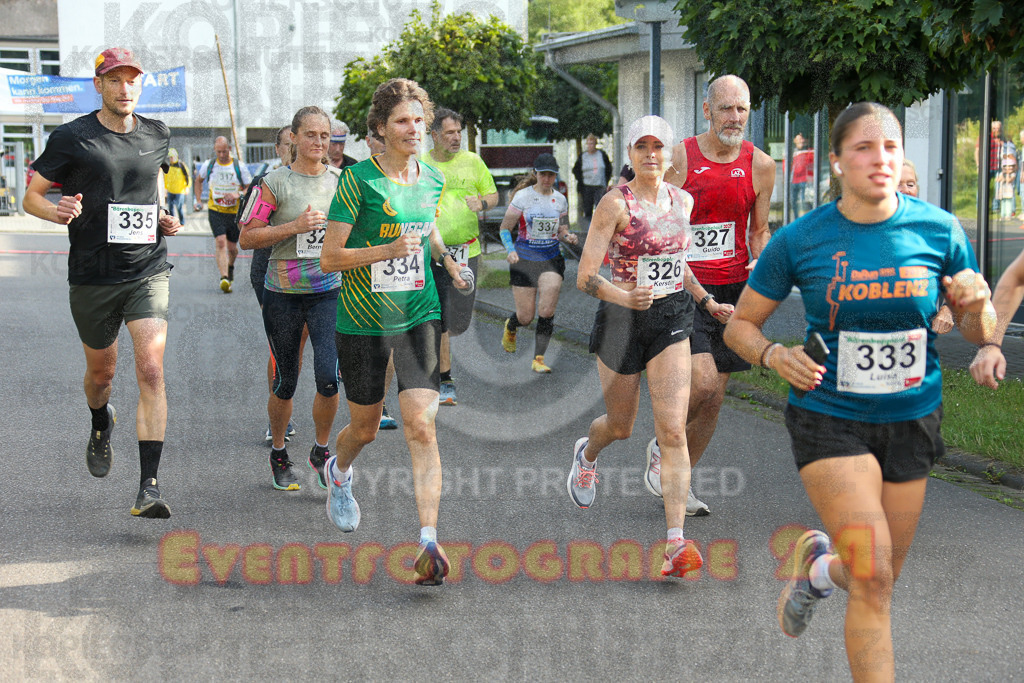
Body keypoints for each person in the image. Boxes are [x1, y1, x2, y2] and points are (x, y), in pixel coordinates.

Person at [722, 102, 997, 680]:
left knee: (878, 574)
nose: (880, 159)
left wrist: (976, 309)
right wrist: (773, 355)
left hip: (912, 417)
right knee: (873, 574)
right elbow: (740, 325)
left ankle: (819, 570)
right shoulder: (802, 239)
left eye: (891, 147)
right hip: (829, 416)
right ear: (837, 162)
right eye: (864, 148)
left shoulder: (940, 229)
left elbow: (976, 331)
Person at [320, 78, 472, 586]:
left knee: (421, 426)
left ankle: (428, 540)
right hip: (362, 320)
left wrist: (448, 263)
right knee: (364, 428)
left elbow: (425, 229)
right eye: (402, 121)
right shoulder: (357, 181)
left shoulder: (430, 178)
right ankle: (338, 473)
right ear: (380, 130)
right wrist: (384, 252)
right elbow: (331, 257)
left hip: (418, 314)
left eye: (418, 120)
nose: (414, 129)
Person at [23, 47, 181, 518]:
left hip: (146, 269)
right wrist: (58, 211)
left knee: (151, 369)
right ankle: (99, 421)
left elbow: (150, 185)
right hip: (92, 275)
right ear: (99, 85)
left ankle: (149, 486)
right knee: (102, 375)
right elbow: (30, 196)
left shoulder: (158, 133)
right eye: (114, 80)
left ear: (140, 84)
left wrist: (161, 218)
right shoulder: (72, 136)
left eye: (132, 79)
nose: (124, 87)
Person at [570, 115, 722, 578]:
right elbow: (584, 276)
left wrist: (706, 300)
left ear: (671, 154)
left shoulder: (684, 201)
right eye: (642, 147)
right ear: (631, 154)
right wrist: (624, 295)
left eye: (659, 146)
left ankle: (675, 544)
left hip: (673, 318)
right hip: (620, 321)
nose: (651, 154)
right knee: (620, 425)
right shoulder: (615, 205)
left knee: (673, 430)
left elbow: (679, 263)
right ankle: (586, 454)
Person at [651, 74, 776, 516]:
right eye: (726, 108)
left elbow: (758, 231)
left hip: (733, 290)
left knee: (715, 396)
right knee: (701, 381)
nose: (735, 117)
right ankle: (666, 441)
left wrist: (763, 264)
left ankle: (679, 479)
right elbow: (648, 210)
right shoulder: (680, 158)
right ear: (707, 110)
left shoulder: (761, 165)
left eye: (742, 108)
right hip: (682, 284)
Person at [239, 106, 342, 491]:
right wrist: (294, 227)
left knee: (329, 376)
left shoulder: (342, 181)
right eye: (310, 134)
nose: (319, 142)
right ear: (294, 138)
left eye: (324, 135)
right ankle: (279, 452)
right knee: (286, 381)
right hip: (282, 293)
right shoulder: (273, 183)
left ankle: (320, 450)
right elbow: (248, 237)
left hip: (329, 291)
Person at [424, 107, 498, 405]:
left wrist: (481, 202)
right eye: (450, 133)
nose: (456, 138)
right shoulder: (422, 164)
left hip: (469, 251)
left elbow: (492, 196)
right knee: (440, 315)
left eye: (459, 132)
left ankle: (434, 349)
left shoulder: (473, 161)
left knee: (460, 322)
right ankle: (444, 380)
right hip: (433, 252)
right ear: (434, 136)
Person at [245, 125, 302, 445]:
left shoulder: (324, 179)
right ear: (278, 149)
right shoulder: (263, 183)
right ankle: (279, 417)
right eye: (287, 145)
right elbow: (249, 236)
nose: (293, 150)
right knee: (283, 347)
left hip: (312, 275)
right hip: (270, 273)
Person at [498, 153, 578, 372]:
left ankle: (539, 359)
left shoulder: (560, 200)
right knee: (526, 316)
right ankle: (511, 325)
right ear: (536, 174)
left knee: (547, 310)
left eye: (551, 175)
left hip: (551, 258)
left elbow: (562, 230)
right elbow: (505, 228)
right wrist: (510, 250)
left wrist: (568, 236)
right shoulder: (523, 197)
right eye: (543, 174)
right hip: (523, 259)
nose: (547, 179)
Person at [899, 159, 954, 335]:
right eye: (897, 184)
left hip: (915, 340)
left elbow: (961, 277)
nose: (906, 190)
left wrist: (947, 309)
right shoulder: (860, 230)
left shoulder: (933, 232)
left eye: (910, 184)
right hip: (861, 341)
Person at [194, 135, 252, 292]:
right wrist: (198, 200)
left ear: (230, 149)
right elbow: (198, 180)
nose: (221, 155)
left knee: (232, 248)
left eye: (224, 152)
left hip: (234, 213)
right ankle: (224, 278)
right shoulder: (210, 165)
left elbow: (250, 188)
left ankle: (230, 266)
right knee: (220, 242)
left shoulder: (239, 166)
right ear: (215, 150)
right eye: (218, 152)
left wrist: (237, 195)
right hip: (216, 210)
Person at [572, 133, 612, 226]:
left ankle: (600, 229)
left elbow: (608, 168)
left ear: (595, 144)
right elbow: (576, 170)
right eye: (589, 143)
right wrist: (581, 180)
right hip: (587, 187)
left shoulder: (601, 154)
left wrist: (606, 181)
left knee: (600, 209)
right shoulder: (583, 156)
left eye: (592, 143)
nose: (590, 146)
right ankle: (587, 231)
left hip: (600, 186)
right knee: (587, 210)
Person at [163, 148, 190, 225]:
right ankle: (172, 223)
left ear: (176, 156)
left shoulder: (181, 165)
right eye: (170, 157)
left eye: (172, 157)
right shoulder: (168, 166)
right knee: (170, 207)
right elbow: (166, 178)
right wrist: (165, 189)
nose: (171, 159)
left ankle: (182, 222)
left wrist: (187, 187)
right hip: (170, 190)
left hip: (180, 190)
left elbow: (187, 176)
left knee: (179, 207)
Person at [790, 132, 814, 219]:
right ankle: (797, 219)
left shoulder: (810, 151)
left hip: (805, 180)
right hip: (793, 181)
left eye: (803, 139)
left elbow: (812, 165)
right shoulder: (792, 152)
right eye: (799, 139)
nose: (802, 141)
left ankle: (807, 220)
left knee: (805, 202)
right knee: (793, 202)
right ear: (794, 140)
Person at [996, 155, 1017, 219]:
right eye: (1008, 166)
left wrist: (1007, 174)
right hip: (1003, 191)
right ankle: (1003, 215)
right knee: (1003, 203)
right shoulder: (1001, 173)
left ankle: (1008, 215)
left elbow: (1008, 180)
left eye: (1011, 167)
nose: (1010, 168)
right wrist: (1002, 176)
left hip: (1009, 192)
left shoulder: (1013, 174)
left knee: (1009, 203)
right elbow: (997, 179)